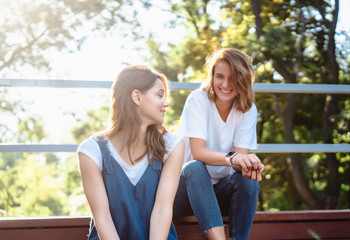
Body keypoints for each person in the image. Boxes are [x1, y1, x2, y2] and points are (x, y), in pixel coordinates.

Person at [77, 65, 184, 240]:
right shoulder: (91, 151)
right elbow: (102, 219)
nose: (166, 103)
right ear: (137, 97)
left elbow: (162, 209)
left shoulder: (172, 145)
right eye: (159, 95)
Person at [173, 48, 264, 240]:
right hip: (188, 192)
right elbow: (198, 153)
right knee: (195, 168)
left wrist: (251, 165)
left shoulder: (247, 109)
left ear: (243, 79)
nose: (225, 84)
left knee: (248, 179)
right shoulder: (198, 99)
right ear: (212, 76)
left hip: (219, 195)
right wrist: (235, 159)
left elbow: (241, 162)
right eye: (219, 76)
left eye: (232, 78)